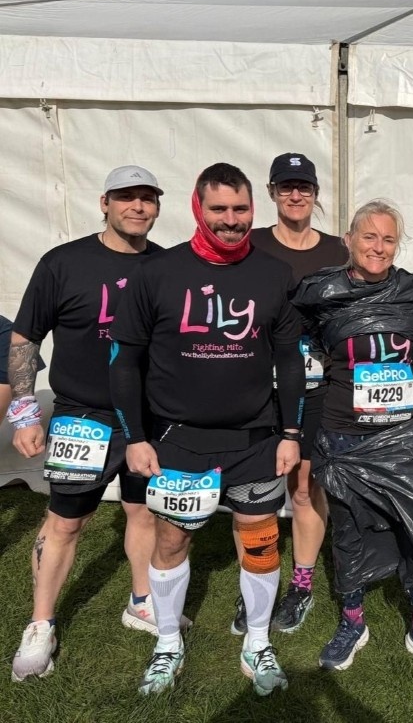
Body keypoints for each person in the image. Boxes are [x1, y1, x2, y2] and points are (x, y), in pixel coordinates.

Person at [109, 162, 305, 697]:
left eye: (240, 209)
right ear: (198, 208)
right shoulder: (158, 273)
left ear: (253, 209)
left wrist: (291, 433)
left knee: (261, 545)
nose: (231, 220)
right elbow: (124, 361)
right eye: (219, 209)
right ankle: (167, 641)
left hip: (255, 439)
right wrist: (136, 436)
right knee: (171, 542)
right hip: (179, 440)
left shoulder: (272, 274)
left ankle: (258, 640)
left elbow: (289, 359)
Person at [6, 166, 167, 683]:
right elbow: (25, 338)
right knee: (66, 522)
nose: (138, 207)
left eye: (147, 199)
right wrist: (26, 412)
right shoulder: (63, 262)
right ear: (104, 203)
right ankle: (40, 623)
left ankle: (141, 601)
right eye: (127, 198)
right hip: (82, 416)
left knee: (143, 513)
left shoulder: (167, 266)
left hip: (147, 420)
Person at [292, 200, 413, 678]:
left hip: (408, 436)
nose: (379, 247)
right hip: (345, 434)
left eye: (388, 239)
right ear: (348, 240)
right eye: (369, 237)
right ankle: (352, 621)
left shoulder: (411, 292)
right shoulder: (322, 293)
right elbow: (300, 338)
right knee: (348, 532)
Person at [226, 152, 349, 636]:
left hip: (318, 388)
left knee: (303, 488)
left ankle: (300, 584)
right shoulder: (248, 245)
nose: (295, 195)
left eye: (305, 187)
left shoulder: (339, 250)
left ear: (316, 195)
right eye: (286, 186)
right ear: (272, 193)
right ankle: (255, 584)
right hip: (254, 386)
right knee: (251, 492)